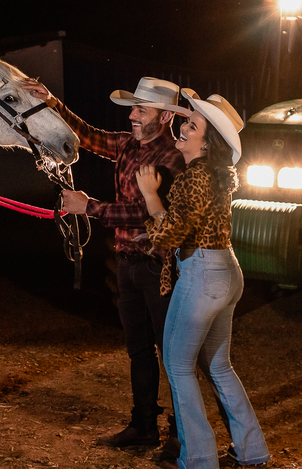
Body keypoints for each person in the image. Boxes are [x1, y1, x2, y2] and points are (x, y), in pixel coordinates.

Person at [26, 77, 185, 448]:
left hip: (158, 266)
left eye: (140, 110)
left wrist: (89, 207)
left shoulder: (172, 158)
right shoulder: (129, 144)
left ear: (163, 118)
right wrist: (51, 102)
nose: (132, 115)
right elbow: (87, 135)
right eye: (133, 108)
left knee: (171, 353)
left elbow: (147, 213)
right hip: (128, 262)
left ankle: (181, 434)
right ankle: (144, 426)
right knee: (139, 349)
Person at [136, 92, 270, 469]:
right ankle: (250, 449)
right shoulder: (214, 177)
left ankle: (197, 458)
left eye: (192, 126)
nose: (183, 127)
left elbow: (173, 233)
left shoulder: (195, 178)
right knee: (218, 366)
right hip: (226, 271)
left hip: (203, 275)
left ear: (207, 143)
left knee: (178, 366)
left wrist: (150, 197)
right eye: (186, 121)